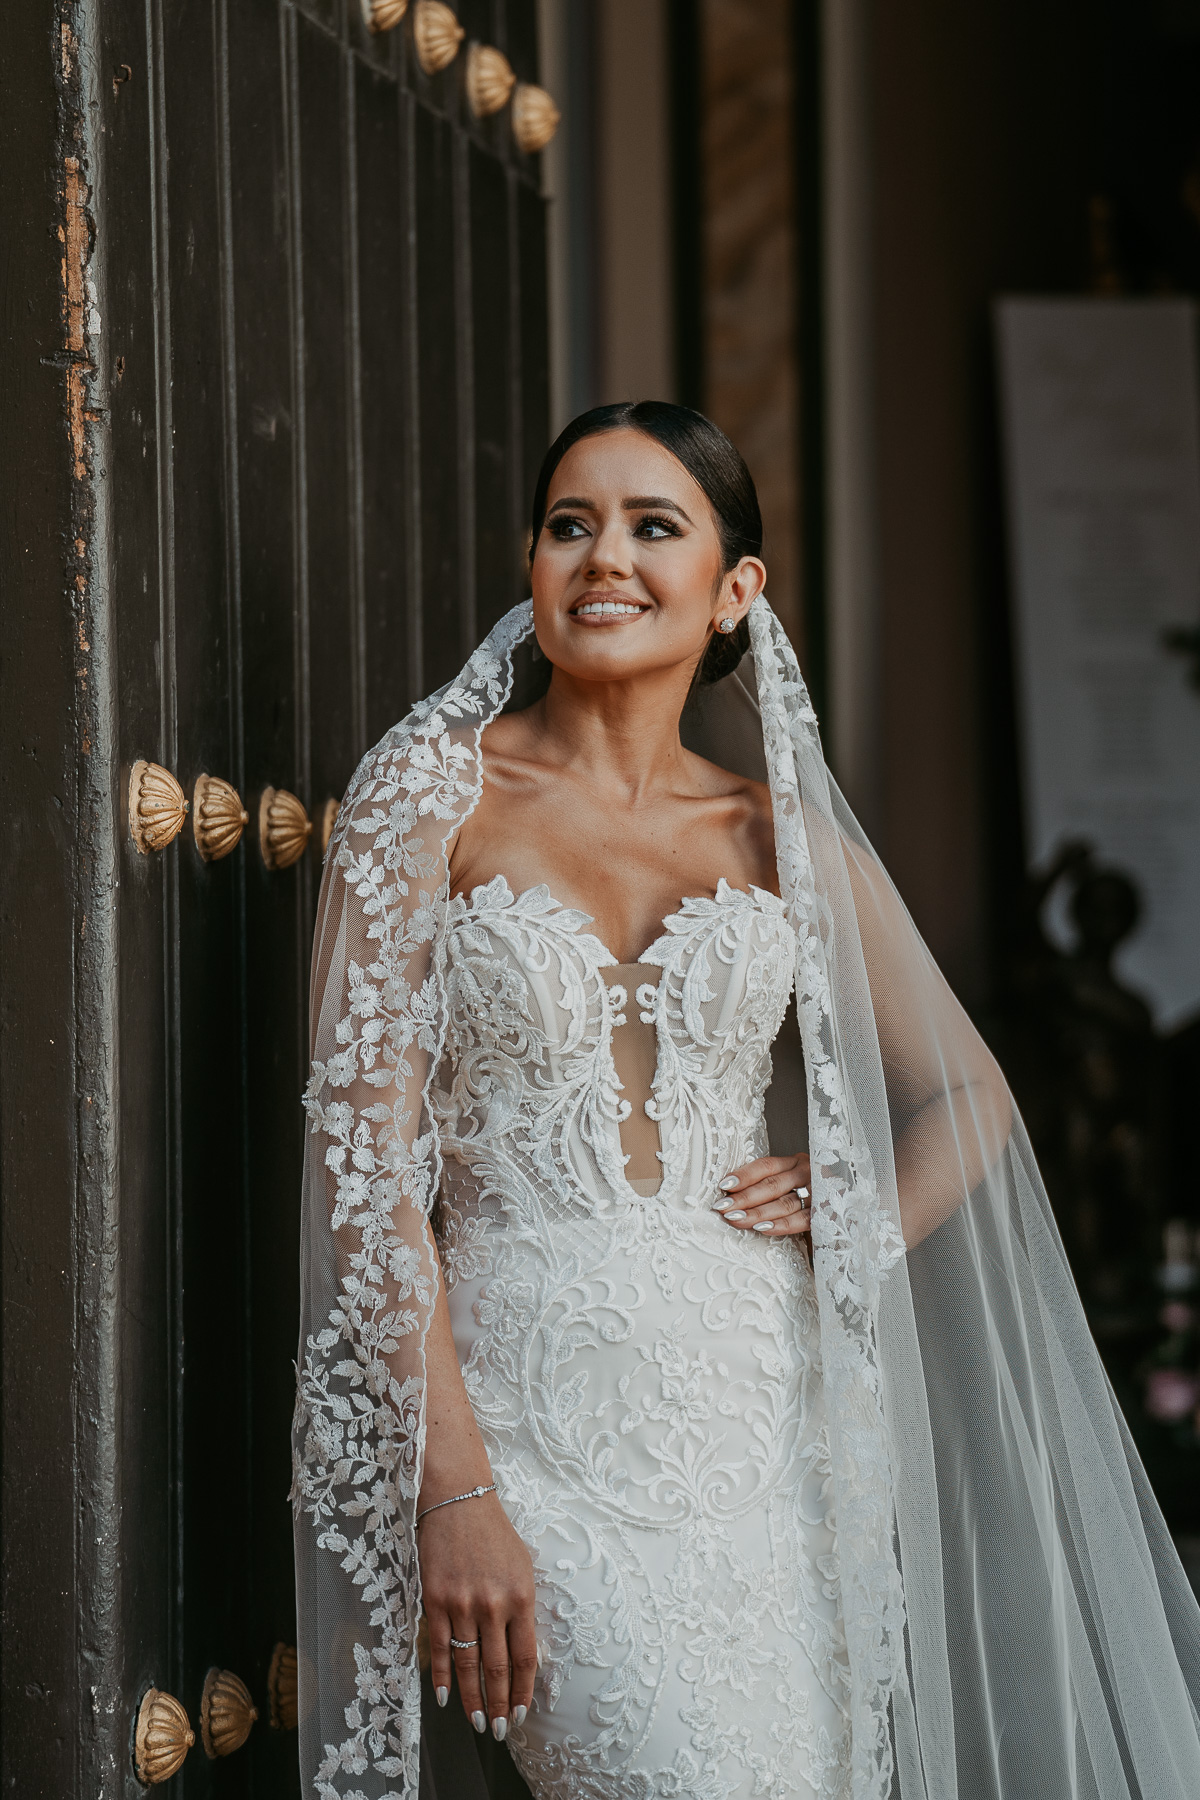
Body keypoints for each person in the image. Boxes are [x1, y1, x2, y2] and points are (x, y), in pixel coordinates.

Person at [291, 403, 1200, 1800]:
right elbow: (364, 1178)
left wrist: (862, 1213)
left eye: (655, 526)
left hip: (768, 1438)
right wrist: (453, 1490)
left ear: (734, 589)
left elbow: (969, 1094)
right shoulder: (430, 798)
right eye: (570, 524)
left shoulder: (772, 833)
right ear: (532, 567)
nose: (605, 557)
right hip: (541, 1436)